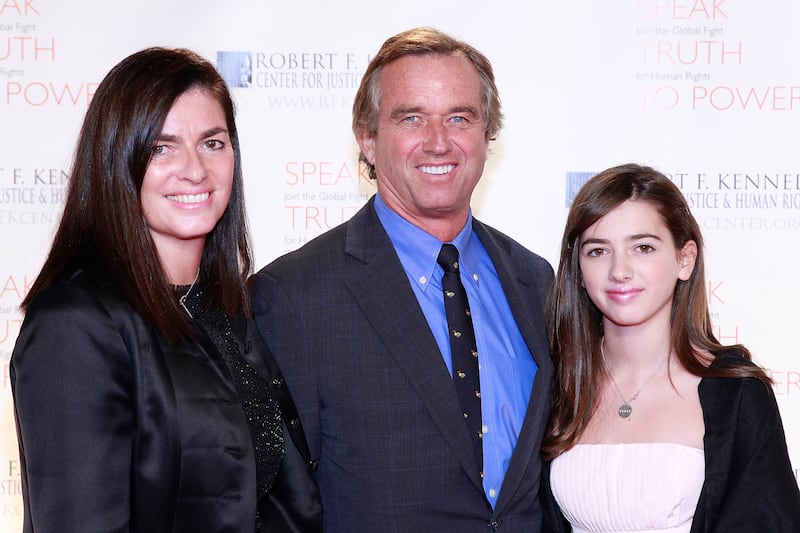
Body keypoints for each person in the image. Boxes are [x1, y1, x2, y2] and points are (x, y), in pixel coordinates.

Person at [251, 27, 554, 532]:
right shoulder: (295, 296)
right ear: (367, 139)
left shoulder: (534, 282)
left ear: (486, 136)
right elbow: (280, 506)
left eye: (460, 118)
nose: (439, 142)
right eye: (411, 118)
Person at [10, 47, 321, 532]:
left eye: (212, 143)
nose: (195, 169)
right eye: (161, 147)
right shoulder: (76, 323)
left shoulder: (226, 310)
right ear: (117, 160)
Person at [541, 163, 800, 532]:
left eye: (643, 247)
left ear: (685, 259)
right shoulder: (554, 384)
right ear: (578, 269)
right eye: (598, 251)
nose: (620, 270)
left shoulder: (735, 392)